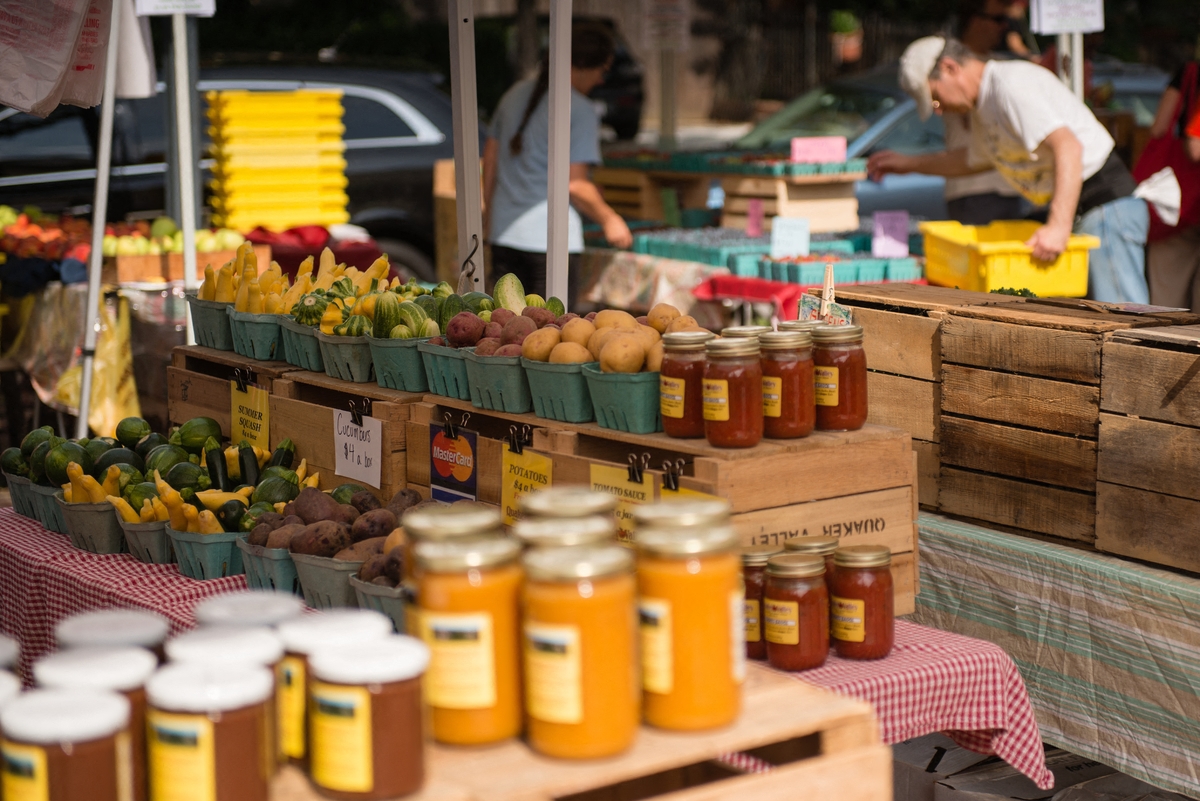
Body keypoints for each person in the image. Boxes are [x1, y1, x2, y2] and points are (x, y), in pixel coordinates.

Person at [869, 37, 1148, 303]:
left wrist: (1057, 227)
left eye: (936, 99)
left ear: (949, 68)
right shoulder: (984, 102)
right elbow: (971, 160)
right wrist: (908, 165)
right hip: (1091, 208)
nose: (940, 110)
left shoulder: (1010, 85)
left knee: (1125, 321)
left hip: (1106, 204)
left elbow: (1068, 146)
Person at [482, 23, 632, 302]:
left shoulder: (513, 94)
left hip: (504, 236)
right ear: (584, 65)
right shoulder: (580, 109)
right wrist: (611, 220)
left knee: (504, 334)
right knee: (549, 336)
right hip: (548, 242)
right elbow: (575, 184)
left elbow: (489, 161)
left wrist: (489, 219)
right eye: (602, 70)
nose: (601, 80)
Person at [943, 0, 1024, 225]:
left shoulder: (999, 65)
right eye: (999, 19)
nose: (1004, 27)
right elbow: (967, 115)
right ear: (976, 21)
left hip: (1008, 186)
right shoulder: (950, 68)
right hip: (973, 189)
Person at [1142, 60, 1200, 309]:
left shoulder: (1189, 72)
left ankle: (1163, 344)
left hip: (1178, 201)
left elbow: (1161, 129)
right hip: (1189, 202)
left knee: (1167, 291)